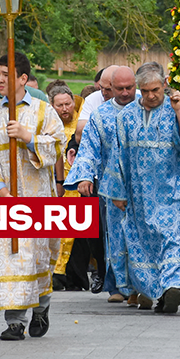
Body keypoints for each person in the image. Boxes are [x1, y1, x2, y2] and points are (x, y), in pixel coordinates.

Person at [0, 51, 65, 340]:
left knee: (38, 258)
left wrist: (28, 138)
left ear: (23, 78)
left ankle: (41, 307)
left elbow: (57, 145)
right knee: (11, 256)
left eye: (5, 75)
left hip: (38, 197)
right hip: (5, 198)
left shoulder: (42, 111)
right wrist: (0, 191)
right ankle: (14, 321)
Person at [103, 62, 180, 314]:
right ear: (139, 89)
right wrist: (117, 192)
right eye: (146, 91)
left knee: (174, 240)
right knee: (144, 244)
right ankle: (157, 294)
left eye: (156, 90)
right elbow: (118, 157)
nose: (151, 95)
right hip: (140, 196)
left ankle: (172, 288)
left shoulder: (177, 108)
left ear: (164, 86)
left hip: (173, 193)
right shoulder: (125, 117)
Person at [65, 67, 137, 303]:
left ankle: (142, 287)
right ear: (108, 89)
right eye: (119, 89)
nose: (125, 93)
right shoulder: (101, 114)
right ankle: (116, 285)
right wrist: (85, 176)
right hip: (110, 187)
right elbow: (88, 148)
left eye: (129, 88)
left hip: (144, 186)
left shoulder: (146, 110)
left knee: (141, 237)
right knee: (114, 236)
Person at [50, 84, 90, 291]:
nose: (65, 109)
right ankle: (56, 273)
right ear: (52, 106)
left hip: (81, 186)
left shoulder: (82, 122)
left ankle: (76, 277)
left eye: (68, 104)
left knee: (79, 235)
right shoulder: (48, 124)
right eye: (60, 105)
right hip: (58, 186)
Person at [75, 66, 119, 140]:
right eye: (101, 87)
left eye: (108, 89)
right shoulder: (92, 99)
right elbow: (81, 131)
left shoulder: (137, 99)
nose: (104, 93)